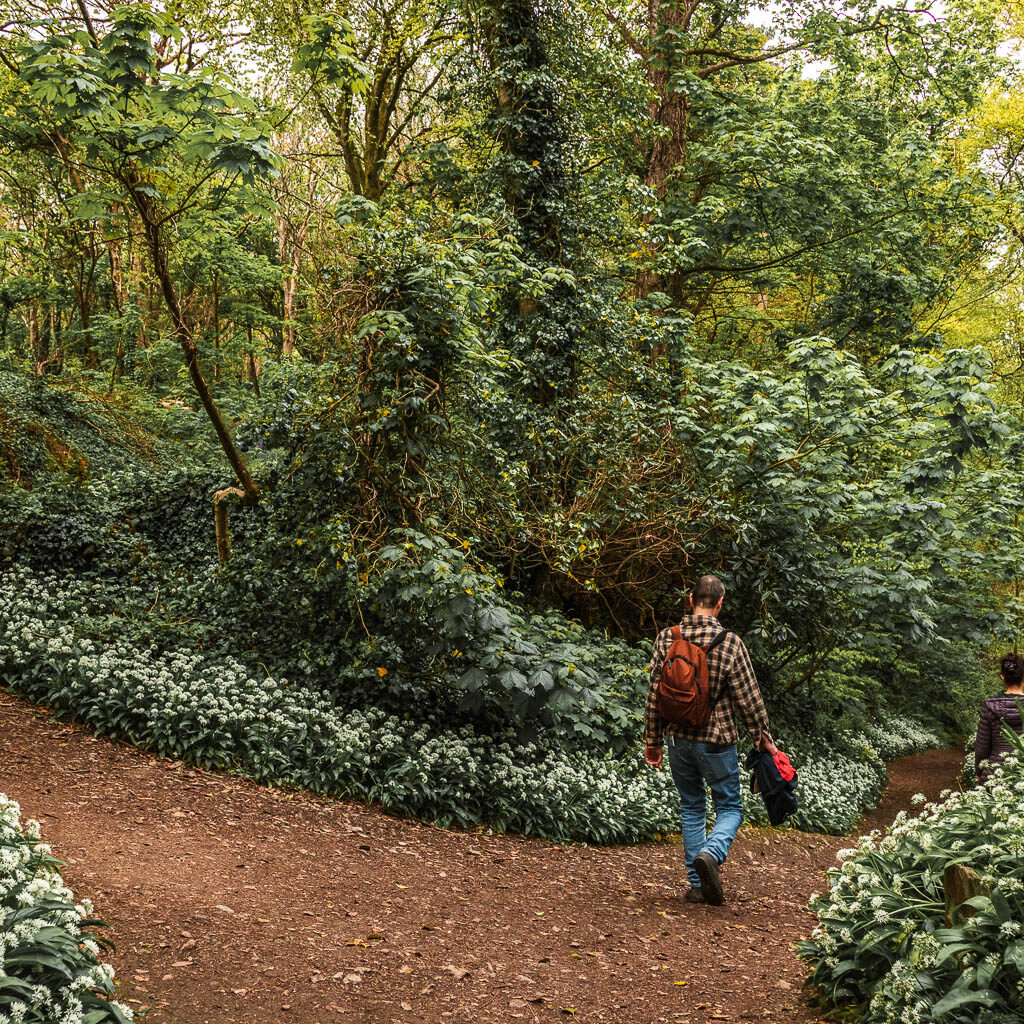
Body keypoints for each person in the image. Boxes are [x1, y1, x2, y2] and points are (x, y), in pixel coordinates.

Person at [643, 574, 774, 906]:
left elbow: (654, 696)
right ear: (720, 603)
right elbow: (749, 699)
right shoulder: (730, 643)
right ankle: (711, 854)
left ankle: (697, 885)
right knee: (729, 806)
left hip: (677, 741)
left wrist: (652, 741)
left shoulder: (665, 638)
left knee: (691, 807)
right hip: (716, 742)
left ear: (690, 600)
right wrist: (763, 739)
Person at [975, 653, 1024, 784]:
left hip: (996, 774)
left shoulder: (990, 706)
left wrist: (979, 773)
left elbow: (982, 746)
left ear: (1002, 677)